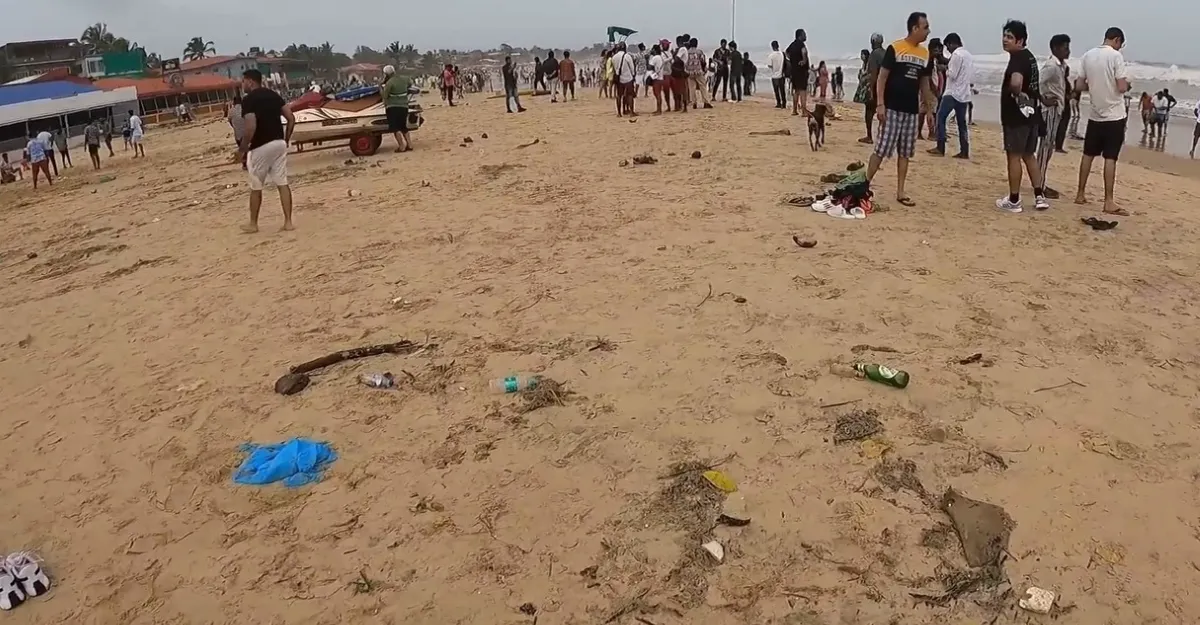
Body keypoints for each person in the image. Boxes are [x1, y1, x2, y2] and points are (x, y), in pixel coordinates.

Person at [866, 12, 931, 208]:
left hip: (911, 111)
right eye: (925, 27)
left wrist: (928, 110)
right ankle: (865, 184)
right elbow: (882, 78)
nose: (928, 31)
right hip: (892, 108)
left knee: (905, 153)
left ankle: (901, 191)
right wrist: (880, 104)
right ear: (914, 28)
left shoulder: (925, 54)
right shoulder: (895, 48)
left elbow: (925, 83)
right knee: (881, 149)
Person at [1075, 27, 1131, 215]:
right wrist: (1128, 84)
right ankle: (1108, 200)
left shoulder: (1088, 55)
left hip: (1095, 114)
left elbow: (1079, 85)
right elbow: (1122, 87)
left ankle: (1080, 193)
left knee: (1088, 155)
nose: (1119, 48)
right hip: (1114, 115)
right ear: (1116, 40)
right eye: (1120, 44)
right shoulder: (1116, 57)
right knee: (1110, 157)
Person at [994, 20, 1047, 213]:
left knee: (1014, 156)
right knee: (1028, 155)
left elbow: (1016, 82)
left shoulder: (1017, 59)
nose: (1005, 40)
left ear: (1020, 40)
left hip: (1017, 117)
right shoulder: (1030, 58)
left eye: (1010, 37)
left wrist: (1017, 93)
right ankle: (1039, 196)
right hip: (1031, 115)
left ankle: (1014, 200)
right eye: (1004, 36)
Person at [238, 68, 296, 233]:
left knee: (256, 186)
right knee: (282, 183)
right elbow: (291, 118)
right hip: (279, 143)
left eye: (243, 82)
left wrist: (242, 149)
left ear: (250, 81)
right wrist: (286, 139)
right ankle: (288, 222)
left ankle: (253, 224)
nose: (242, 85)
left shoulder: (249, 100)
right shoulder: (274, 95)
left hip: (261, 146)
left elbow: (250, 127)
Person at [1036, 34, 1071, 198]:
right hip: (1049, 110)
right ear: (1056, 48)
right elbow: (1037, 82)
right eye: (1065, 47)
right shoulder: (1051, 66)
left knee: (1048, 147)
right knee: (1045, 146)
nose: (1068, 50)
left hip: (1056, 110)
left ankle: (1040, 181)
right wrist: (1043, 99)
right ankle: (1040, 185)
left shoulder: (1061, 66)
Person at [930, 32, 974, 158]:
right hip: (964, 94)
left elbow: (952, 74)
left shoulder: (956, 55)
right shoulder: (968, 55)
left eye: (947, 47)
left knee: (941, 117)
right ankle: (964, 150)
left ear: (951, 43)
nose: (947, 50)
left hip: (953, 92)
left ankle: (940, 147)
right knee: (962, 123)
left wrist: (944, 69)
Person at [381, 65, 416, 153]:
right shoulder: (404, 78)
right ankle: (410, 145)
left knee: (395, 128)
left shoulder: (390, 83)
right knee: (403, 126)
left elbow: (385, 96)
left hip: (393, 107)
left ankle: (401, 147)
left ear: (386, 74)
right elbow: (410, 84)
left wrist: (380, 88)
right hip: (404, 106)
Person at [859, 33, 886, 143]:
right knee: (883, 112)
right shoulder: (886, 53)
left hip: (876, 86)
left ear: (873, 42)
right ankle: (883, 136)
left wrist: (870, 89)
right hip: (887, 87)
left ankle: (869, 136)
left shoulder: (874, 54)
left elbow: (873, 73)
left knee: (869, 112)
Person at [786, 29, 811, 116]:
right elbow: (804, 52)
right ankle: (804, 111)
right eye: (804, 34)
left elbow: (787, 53)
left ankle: (794, 110)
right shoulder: (801, 44)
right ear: (800, 35)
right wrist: (804, 60)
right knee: (803, 91)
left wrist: (792, 61)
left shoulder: (792, 44)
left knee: (796, 91)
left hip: (794, 71)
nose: (806, 36)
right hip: (801, 71)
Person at [611, 42, 637, 117]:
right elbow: (632, 68)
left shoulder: (614, 57)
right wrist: (633, 75)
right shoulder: (627, 56)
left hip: (619, 79)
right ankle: (631, 112)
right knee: (630, 95)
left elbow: (614, 68)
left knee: (619, 96)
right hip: (628, 78)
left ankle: (619, 113)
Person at [686, 38, 713, 109]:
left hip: (689, 72)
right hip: (698, 71)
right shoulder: (699, 52)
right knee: (703, 86)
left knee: (692, 88)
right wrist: (704, 70)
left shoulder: (687, 52)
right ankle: (706, 102)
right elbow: (703, 61)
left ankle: (694, 103)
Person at [647, 44, 666, 114]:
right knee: (658, 94)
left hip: (656, 78)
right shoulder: (661, 57)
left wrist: (648, 58)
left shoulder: (655, 58)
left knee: (657, 94)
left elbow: (649, 67)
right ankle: (658, 109)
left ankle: (659, 110)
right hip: (660, 77)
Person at [767, 41, 787, 109]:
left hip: (774, 75)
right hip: (782, 75)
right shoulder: (782, 54)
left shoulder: (771, 56)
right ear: (778, 45)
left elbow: (770, 65)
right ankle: (784, 103)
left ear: (772, 46)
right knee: (782, 90)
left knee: (776, 90)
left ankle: (778, 103)